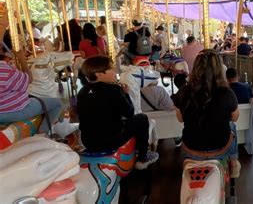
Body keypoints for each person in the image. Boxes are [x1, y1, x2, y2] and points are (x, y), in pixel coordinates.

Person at [77, 56, 158, 170]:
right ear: (98, 74)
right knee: (142, 118)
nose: (115, 71)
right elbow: (130, 113)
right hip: (111, 140)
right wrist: (125, 94)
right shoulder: (114, 89)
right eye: (111, 69)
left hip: (88, 141)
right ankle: (143, 157)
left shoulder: (82, 91)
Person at [171, 49, 240, 178]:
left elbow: (180, 119)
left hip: (191, 146)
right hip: (220, 146)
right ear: (220, 69)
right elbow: (235, 117)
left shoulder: (183, 92)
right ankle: (234, 161)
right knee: (232, 126)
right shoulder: (227, 93)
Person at [0, 49, 64, 133]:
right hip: (10, 111)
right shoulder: (5, 69)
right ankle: (42, 134)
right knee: (57, 103)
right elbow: (29, 79)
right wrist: (22, 59)